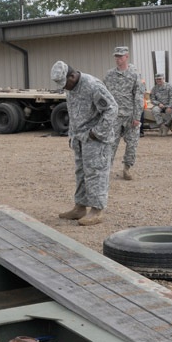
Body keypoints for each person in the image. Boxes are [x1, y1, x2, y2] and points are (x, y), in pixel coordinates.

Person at [51, 61, 118, 226]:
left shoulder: (93, 85)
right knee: (81, 173)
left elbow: (112, 109)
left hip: (96, 139)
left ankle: (97, 210)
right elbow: (75, 113)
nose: (64, 87)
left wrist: (97, 133)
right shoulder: (71, 88)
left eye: (65, 83)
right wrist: (73, 135)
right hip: (80, 139)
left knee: (96, 172)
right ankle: (80, 207)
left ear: (72, 76)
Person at [104, 46, 143, 180]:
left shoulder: (134, 75)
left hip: (130, 116)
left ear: (127, 57)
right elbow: (104, 94)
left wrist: (137, 116)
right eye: (116, 56)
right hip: (113, 116)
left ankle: (127, 168)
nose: (118, 59)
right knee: (110, 143)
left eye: (120, 56)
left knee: (132, 144)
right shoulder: (109, 75)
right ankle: (105, 170)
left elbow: (138, 96)